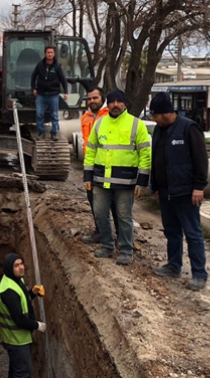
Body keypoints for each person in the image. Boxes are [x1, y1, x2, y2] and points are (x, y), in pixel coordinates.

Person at [83, 90, 151, 266]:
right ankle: (107, 245)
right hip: (100, 180)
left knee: (124, 216)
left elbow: (145, 154)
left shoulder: (136, 125)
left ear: (124, 103)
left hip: (125, 183)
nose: (115, 105)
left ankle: (126, 250)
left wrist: (142, 182)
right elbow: (91, 151)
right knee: (99, 213)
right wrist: (87, 176)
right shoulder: (100, 124)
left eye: (119, 102)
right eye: (111, 102)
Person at [149, 92, 209, 291]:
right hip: (166, 192)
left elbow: (201, 160)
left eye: (155, 115)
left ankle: (199, 274)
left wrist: (199, 187)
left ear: (166, 112)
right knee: (171, 232)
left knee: (193, 234)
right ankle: (173, 266)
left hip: (186, 193)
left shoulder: (188, 128)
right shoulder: (159, 130)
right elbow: (155, 158)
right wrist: (155, 186)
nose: (154, 119)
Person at [80, 86, 119, 245]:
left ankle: (121, 236)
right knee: (94, 201)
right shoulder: (85, 117)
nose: (92, 101)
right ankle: (100, 232)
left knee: (115, 203)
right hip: (91, 165)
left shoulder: (109, 116)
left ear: (102, 98)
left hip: (109, 165)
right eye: (89, 99)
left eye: (95, 98)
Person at [0, 253, 46, 378]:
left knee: (16, 371)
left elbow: (22, 300)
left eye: (21, 264)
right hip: (16, 340)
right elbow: (19, 318)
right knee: (23, 373)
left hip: (17, 338)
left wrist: (33, 293)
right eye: (16, 265)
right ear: (9, 268)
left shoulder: (16, 280)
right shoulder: (8, 290)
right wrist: (37, 325)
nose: (21, 268)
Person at [30, 46, 68, 141]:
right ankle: (41, 132)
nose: (49, 54)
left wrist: (66, 92)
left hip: (53, 94)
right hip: (41, 94)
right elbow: (33, 76)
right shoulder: (40, 65)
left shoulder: (57, 66)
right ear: (45, 54)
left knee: (54, 115)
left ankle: (54, 133)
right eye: (48, 52)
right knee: (39, 114)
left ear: (54, 54)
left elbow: (63, 80)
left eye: (51, 52)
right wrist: (33, 88)